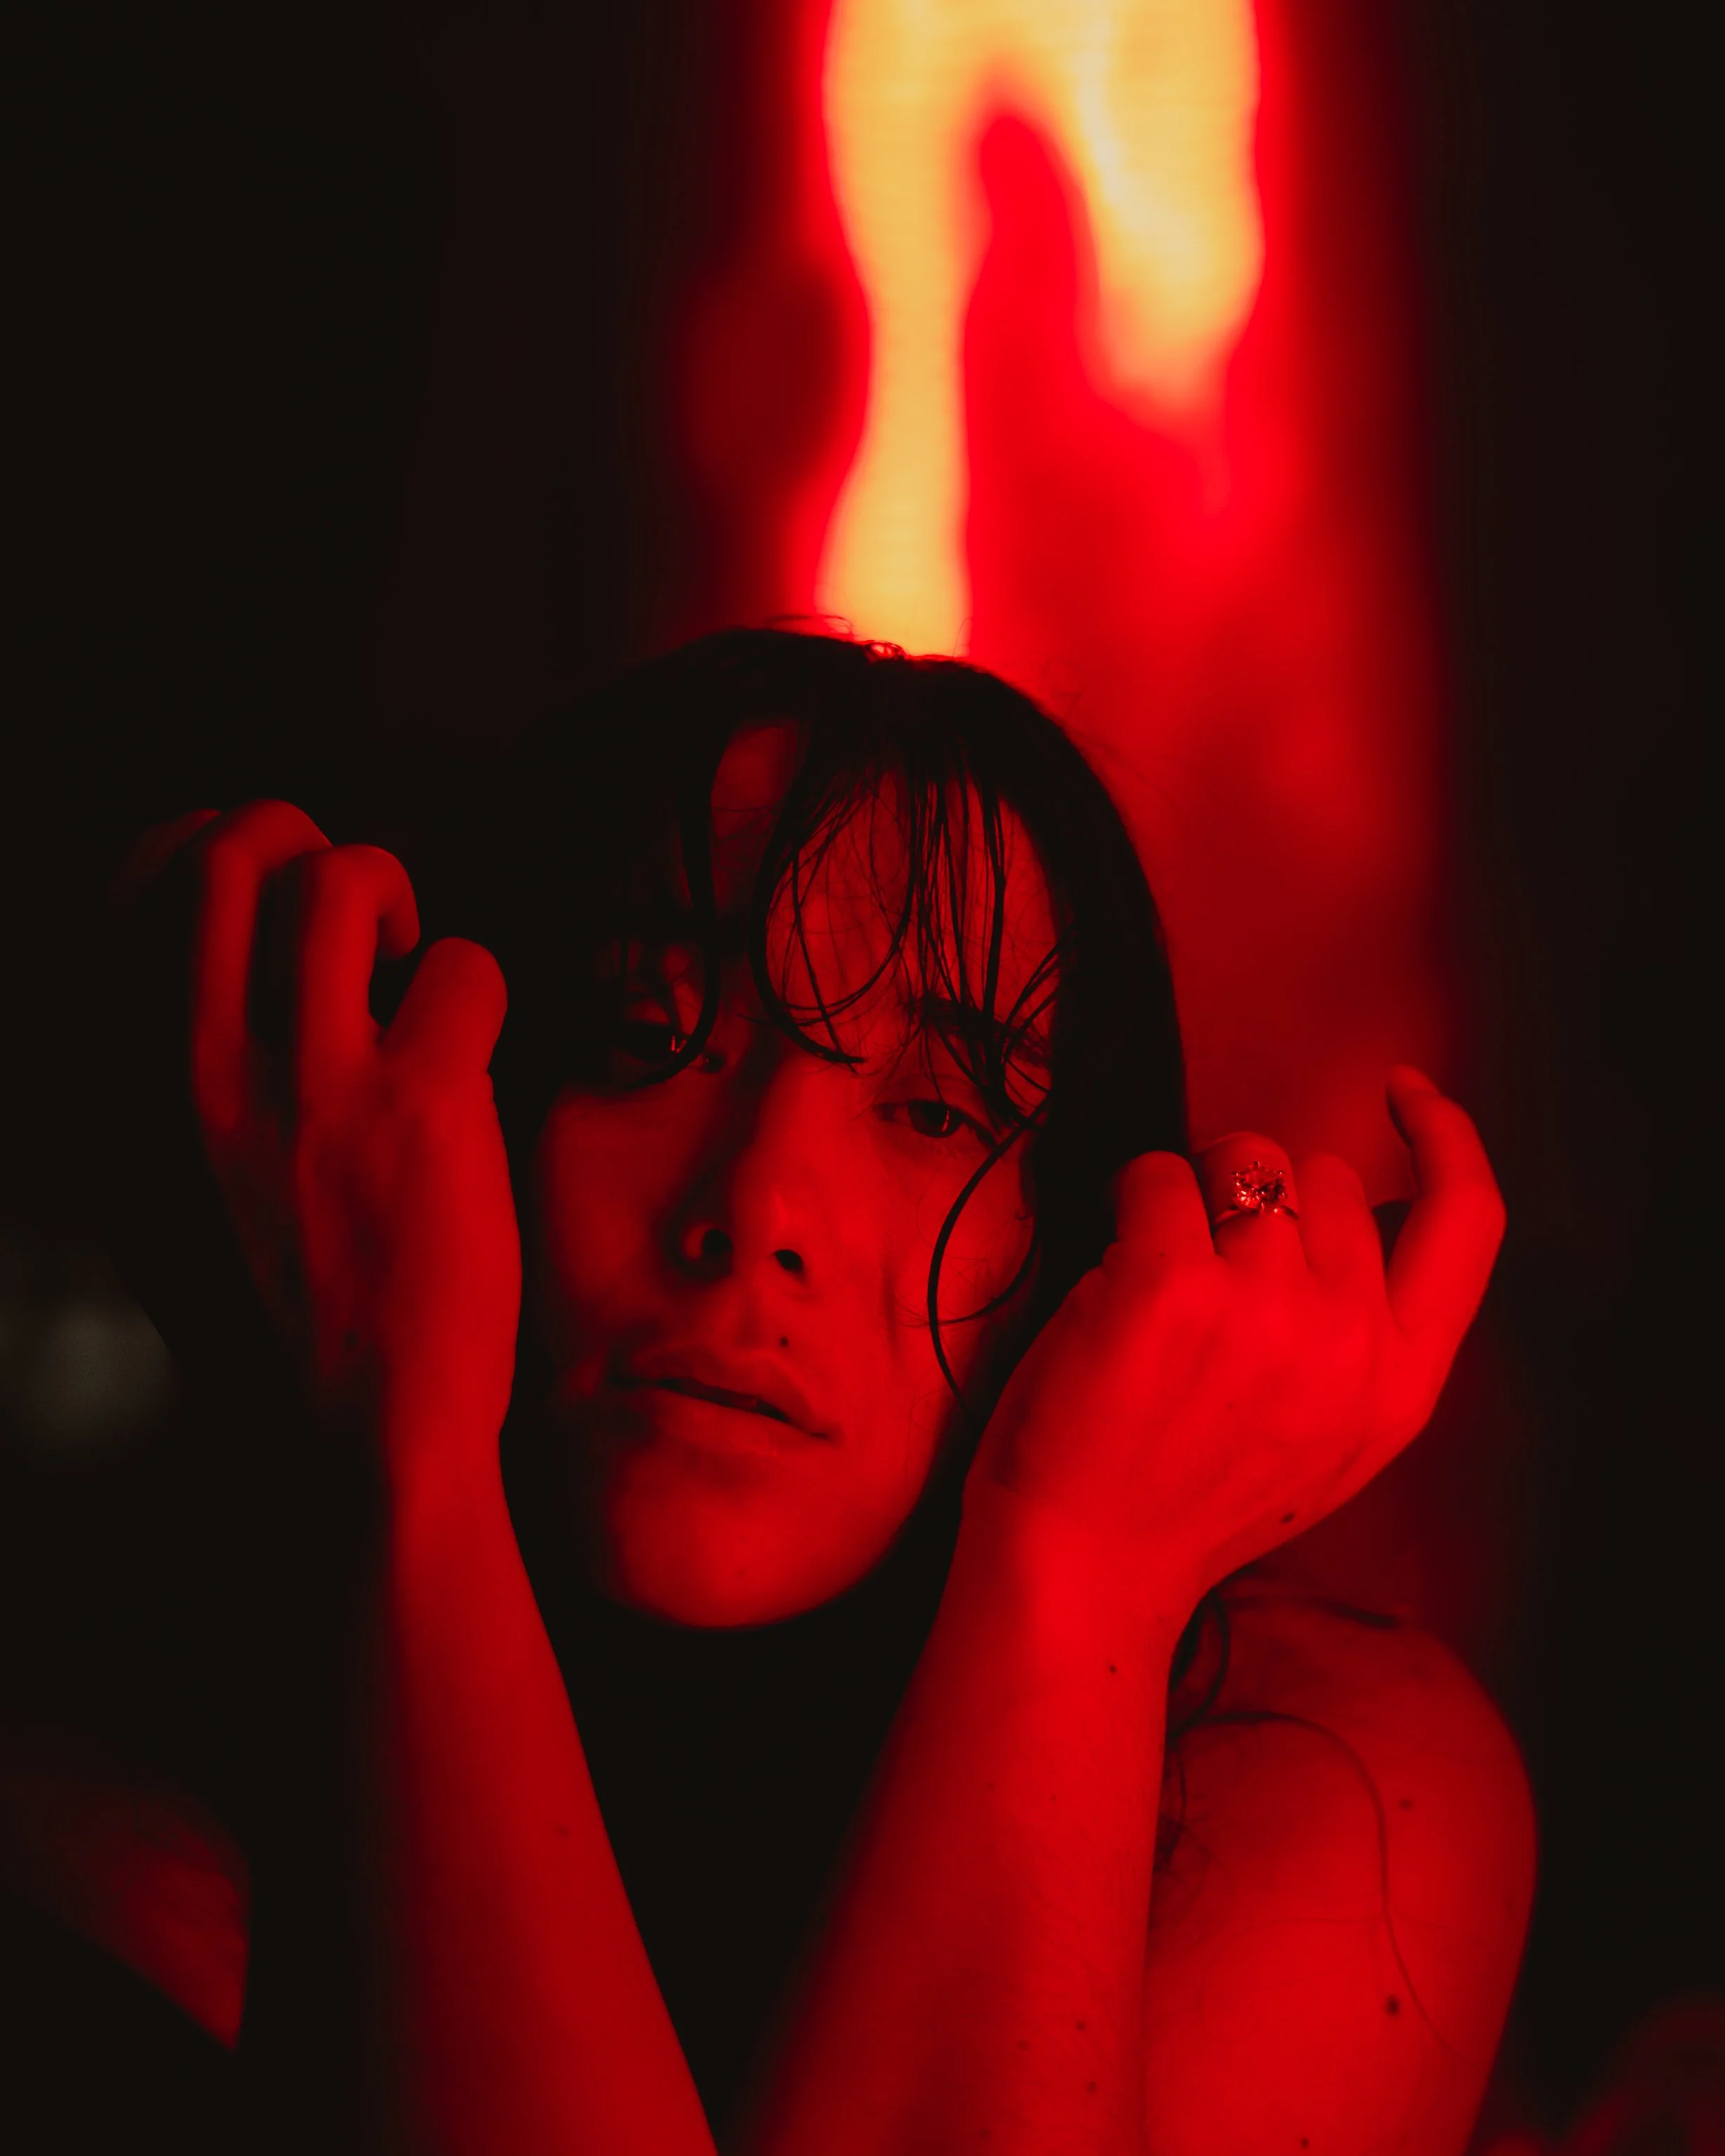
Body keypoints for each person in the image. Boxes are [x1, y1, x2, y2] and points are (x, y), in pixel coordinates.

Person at [1, 626, 1533, 2154]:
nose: (757, 1206)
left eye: (935, 1111)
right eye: (646, 1036)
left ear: (1075, 1252)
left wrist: (1079, 1577)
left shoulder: (1315, 1771)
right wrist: (404, 1449)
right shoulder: (109, 1822)